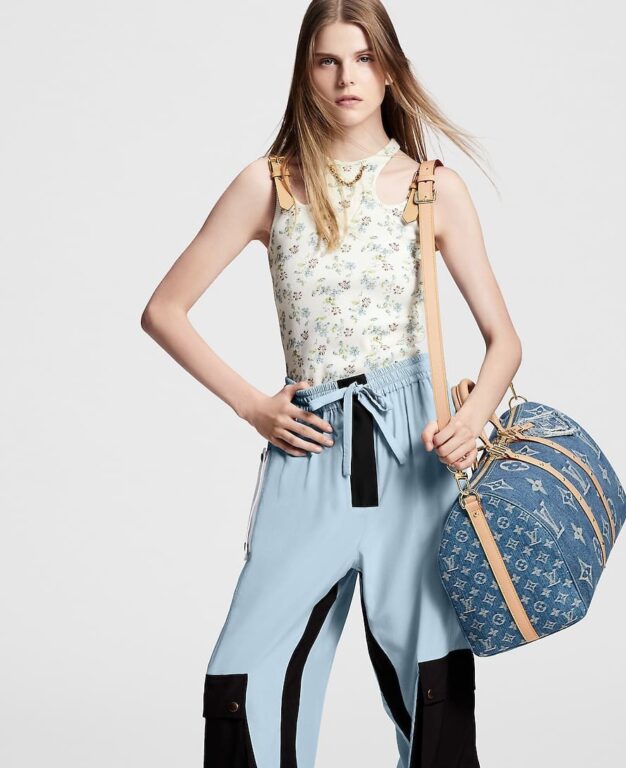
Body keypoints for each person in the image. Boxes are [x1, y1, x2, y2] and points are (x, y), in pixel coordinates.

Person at [141, 1, 521, 766]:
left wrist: (471, 419)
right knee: (244, 672)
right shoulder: (269, 183)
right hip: (310, 447)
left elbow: (504, 341)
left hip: (414, 452)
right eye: (328, 61)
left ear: (391, 70)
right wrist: (255, 407)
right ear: (305, 72)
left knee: (432, 677)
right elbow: (164, 310)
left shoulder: (431, 188)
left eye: (364, 59)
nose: (348, 78)